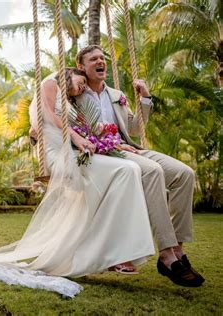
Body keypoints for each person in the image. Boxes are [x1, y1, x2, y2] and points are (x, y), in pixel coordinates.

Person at [0, 68, 155, 297]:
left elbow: (83, 128)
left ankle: (117, 250)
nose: (84, 85)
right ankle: (114, 252)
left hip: (75, 152)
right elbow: (49, 115)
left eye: (85, 83)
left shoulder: (71, 102)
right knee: (127, 170)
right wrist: (76, 137)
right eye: (81, 79)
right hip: (59, 155)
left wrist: (110, 142)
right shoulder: (50, 83)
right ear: (69, 73)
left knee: (127, 170)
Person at [75, 45, 205, 287]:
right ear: (82, 66)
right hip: (105, 153)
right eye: (93, 59)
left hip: (131, 148)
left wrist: (145, 97)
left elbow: (134, 129)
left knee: (184, 174)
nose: (100, 61)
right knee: (153, 171)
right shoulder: (75, 95)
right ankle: (167, 255)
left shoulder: (116, 95)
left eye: (102, 58)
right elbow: (63, 120)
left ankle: (178, 248)